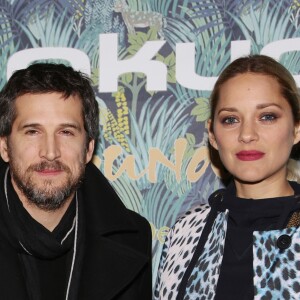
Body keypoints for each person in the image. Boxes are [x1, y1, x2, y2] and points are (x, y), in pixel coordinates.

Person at [0, 63, 152, 300]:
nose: (50, 152)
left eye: (66, 132)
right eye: (32, 131)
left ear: (89, 149)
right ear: (4, 147)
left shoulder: (133, 239)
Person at [154, 55, 300, 300]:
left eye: (267, 116)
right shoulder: (187, 230)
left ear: (296, 129)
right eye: (230, 119)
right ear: (212, 135)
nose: (247, 134)